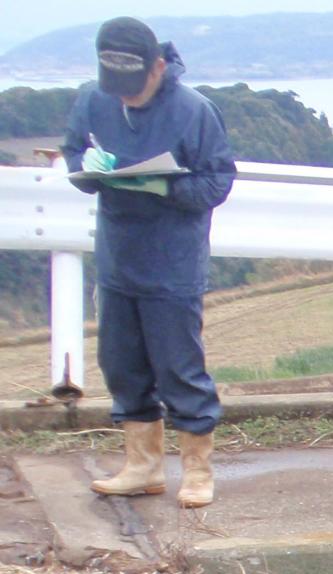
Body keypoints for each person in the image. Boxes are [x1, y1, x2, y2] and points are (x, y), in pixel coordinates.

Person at [62, 17, 235, 509]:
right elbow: (76, 149)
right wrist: (88, 170)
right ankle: (143, 465)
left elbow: (217, 183)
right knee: (121, 362)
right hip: (117, 256)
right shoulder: (94, 99)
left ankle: (197, 469)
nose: (127, 98)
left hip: (173, 261)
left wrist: (162, 185)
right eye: (117, 88)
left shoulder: (195, 111)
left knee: (179, 366)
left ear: (159, 66)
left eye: (135, 87)